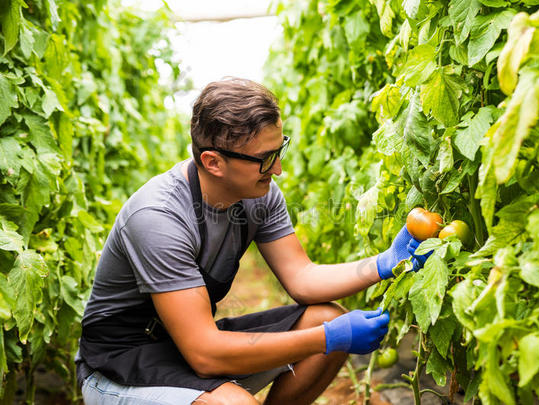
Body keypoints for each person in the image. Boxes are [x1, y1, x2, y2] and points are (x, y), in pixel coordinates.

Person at [76, 78, 430, 405]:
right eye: (265, 159)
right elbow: (205, 352)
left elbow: (303, 279)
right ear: (213, 162)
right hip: (119, 362)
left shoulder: (260, 195)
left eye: (279, 150)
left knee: (322, 315)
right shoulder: (157, 217)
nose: (278, 170)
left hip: (183, 345)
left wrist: (384, 263)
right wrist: (328, 337)